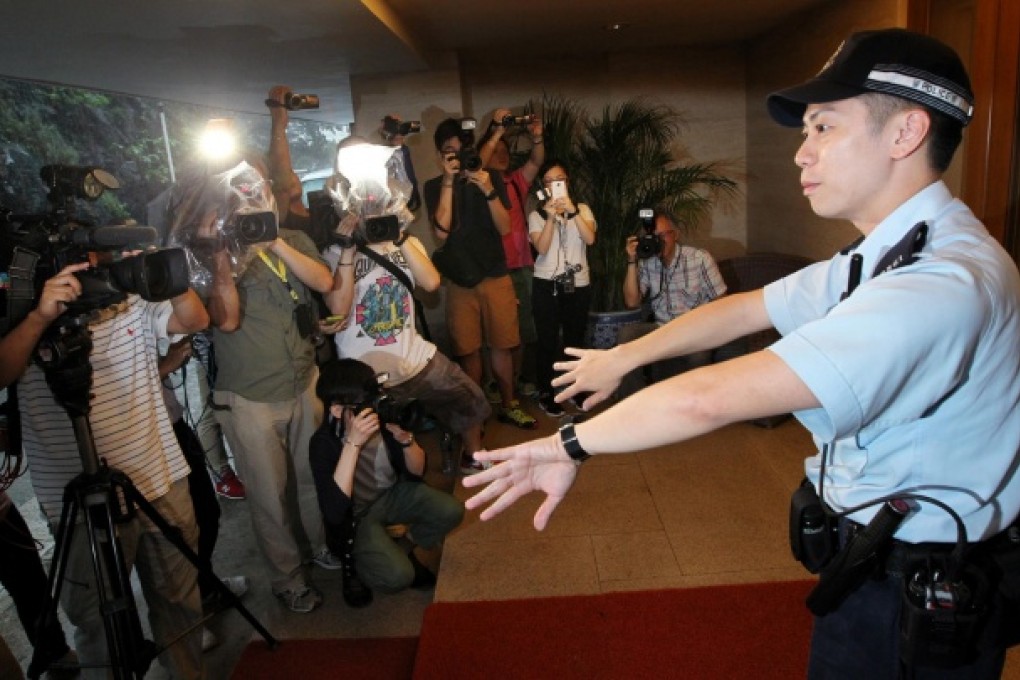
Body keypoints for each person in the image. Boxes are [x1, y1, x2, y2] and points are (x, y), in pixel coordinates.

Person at [463, 28, 1020, 678]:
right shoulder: (884, 252)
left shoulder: (939, 282)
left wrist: (568, 445)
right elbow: (746, 308)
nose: (801, 155)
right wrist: (617, 360)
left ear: (905, 133)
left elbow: (711, 395)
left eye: (823, 128)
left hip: (916, 583)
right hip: (877, 558)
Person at [2, 252, 209, 678]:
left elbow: (194, 321)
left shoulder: (128, 290)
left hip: (158, 473)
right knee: (97, 620)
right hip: (75, 496)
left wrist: (165, 275)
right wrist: (41, 317)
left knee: (180, 599)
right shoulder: (20, 302)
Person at [200, 159, 338, 615]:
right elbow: (228, 318)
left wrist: (273, 239)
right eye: (244, 195)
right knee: (269, 495)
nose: (255, 201)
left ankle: (318, 546)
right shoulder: (217, 253)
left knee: (308, 478)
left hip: (303, 380)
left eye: (261, 193)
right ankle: (287, 578)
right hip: (251, 396)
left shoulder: (293, 239)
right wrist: (227, 252)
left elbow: (323, 281)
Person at [322, 140, 491, 477]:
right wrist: (346, 251)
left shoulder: (407, 241)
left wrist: (399, 236)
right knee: (376, 448)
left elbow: (430, 283)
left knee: (468, 398)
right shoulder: (336, 251)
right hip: (365, 369)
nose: (371, 208)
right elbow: (337, 309)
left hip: (416, 358)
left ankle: (473, 456)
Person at [309, 359, 464, 603]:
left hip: (390, 494)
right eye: (364, 404)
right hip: (357, 516)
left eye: (374, 399)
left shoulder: (381, 419)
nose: (373, 409)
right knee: (398, 577)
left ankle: (403, 548)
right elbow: (335, 511)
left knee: (450, 510)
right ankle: (356, 566)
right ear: (337, 410)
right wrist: (353, 443)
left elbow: (417, 473)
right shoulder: (323, 444)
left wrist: (407, 441)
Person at [423, 118, 538, 443]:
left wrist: (487, 188)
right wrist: (448, 182)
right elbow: (441, 236)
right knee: (468, 351)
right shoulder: (434, 186)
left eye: (462, 151)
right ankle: (476, 413)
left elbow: (504, 228)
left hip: (495, 274)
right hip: (460, 281)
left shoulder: (491, 179)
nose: (458, 159)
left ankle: (509, 403)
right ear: (440, 155)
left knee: (503, 345)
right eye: (449, 153)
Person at [157, 336, 250, 653]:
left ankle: (203, 584)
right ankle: (184, 625)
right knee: (165, 535)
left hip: (172, 420)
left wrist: (172, 357)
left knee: (206, 513)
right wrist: (162, 366)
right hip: (139, 439)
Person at [617, 207, 726, 399]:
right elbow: (632, 302)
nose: (658, 241)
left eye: (663, 235)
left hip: (695, 330)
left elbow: (721, 300)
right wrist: (632, 260)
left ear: (675, 234)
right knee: (627, 335)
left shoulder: (699, 259)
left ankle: (697, 402)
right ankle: (635, 401)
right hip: (662, 327)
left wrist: (710, 329)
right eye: (652, 236)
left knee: (698, 355)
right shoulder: (648, 261)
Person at [477, 109, 546, 401]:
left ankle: (516, 381)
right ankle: (496, 383)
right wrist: (496, 132)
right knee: (497, 333)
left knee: (522, 331)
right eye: (497, 149)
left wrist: (537, 137)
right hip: (494, 269)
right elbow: (479, 161)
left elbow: (536, 160)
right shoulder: (478, 185)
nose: (502, 154)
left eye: (506, 150)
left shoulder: (515, 182)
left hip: (522, 266)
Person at [527, 160, 596, 417]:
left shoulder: (583, 209)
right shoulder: (536, 215)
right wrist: (550, 217)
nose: (556, 185)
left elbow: (590, 239)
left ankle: (577, 389)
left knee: (575, 340)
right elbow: (542, 248)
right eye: (549, 181)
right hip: (546, 284)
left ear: (568, 182)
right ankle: (546, 392)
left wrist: (573, 212)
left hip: (578, 284)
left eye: (560, 180)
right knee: (547, 341)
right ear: (543, 187)